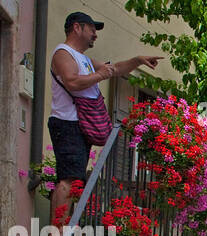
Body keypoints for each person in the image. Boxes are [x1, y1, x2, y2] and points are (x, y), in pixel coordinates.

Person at [49, 12, 160, 222]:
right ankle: (57, 232)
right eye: (92, 29)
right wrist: (100, 75)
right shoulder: (63, 54)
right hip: (67, 123)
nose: (95, 35)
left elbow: (115, 69)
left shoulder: (83, 59)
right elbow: (72, 82)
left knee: (75, 181)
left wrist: (137, 61)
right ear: (77, 28)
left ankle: (62, 229)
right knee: (68, 180)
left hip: (78, 125)